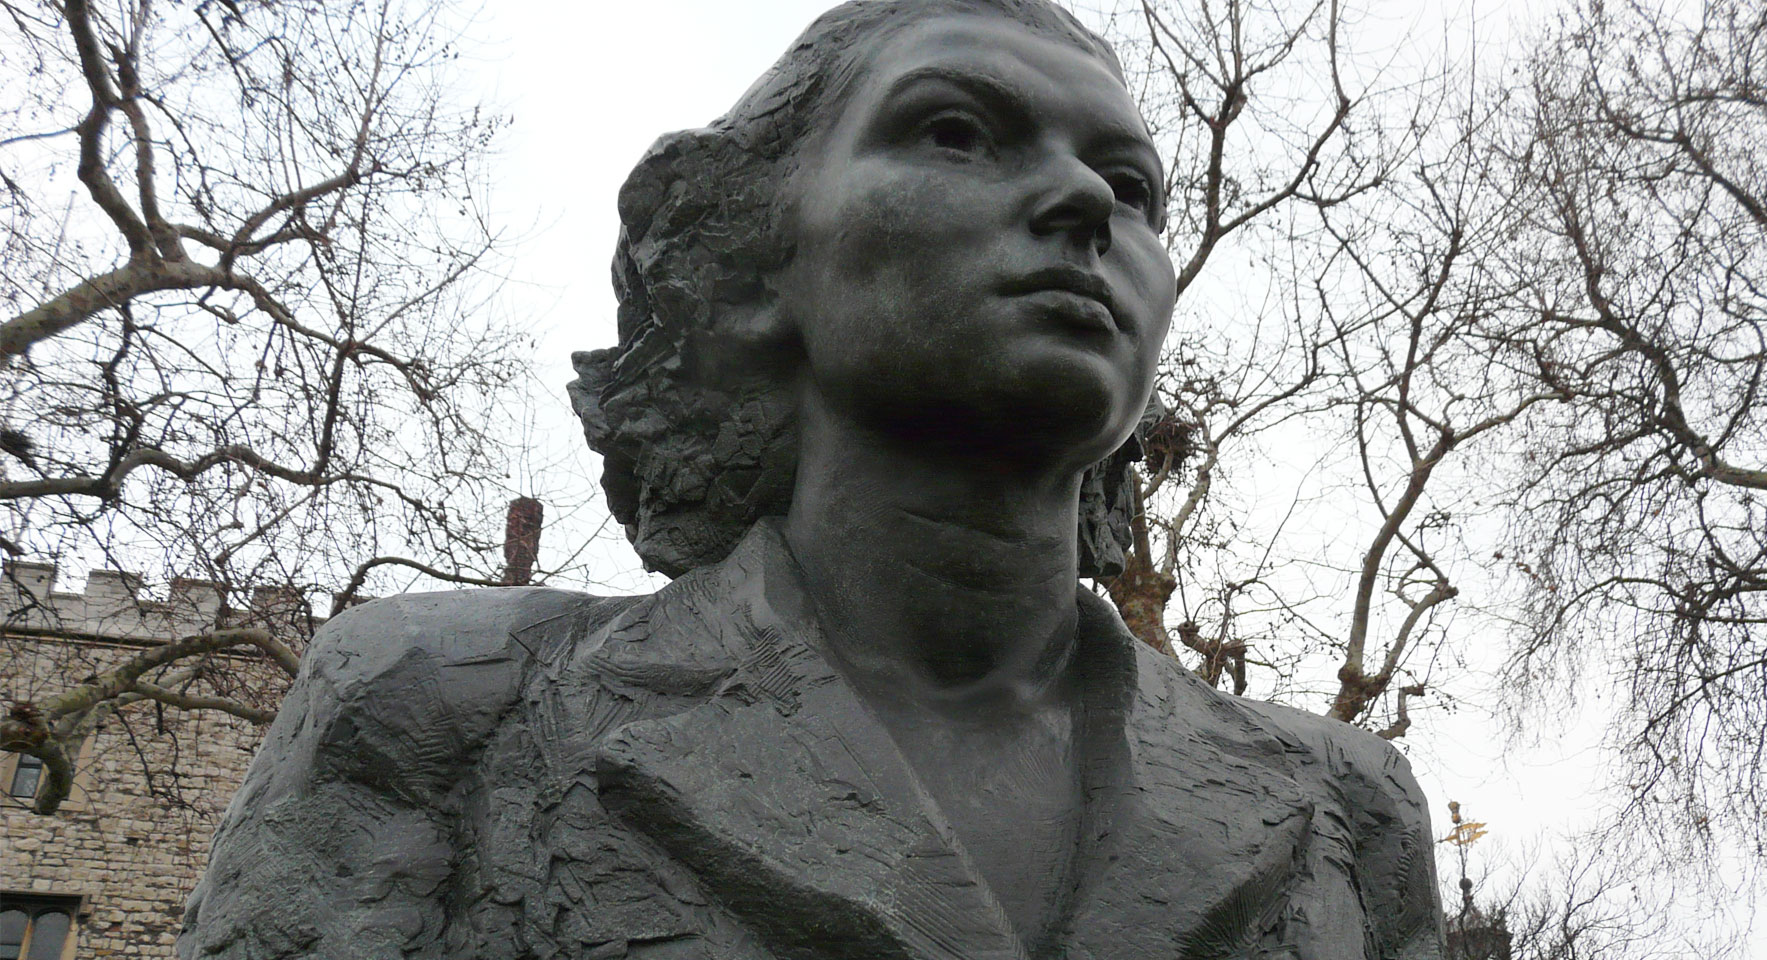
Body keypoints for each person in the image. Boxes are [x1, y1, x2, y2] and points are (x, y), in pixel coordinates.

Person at [179, 2, 1444, 958]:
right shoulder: (439, 710)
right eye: (957, 133)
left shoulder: (1348, 807)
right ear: (752, 262)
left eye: (1129, 186)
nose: (1080, 201)